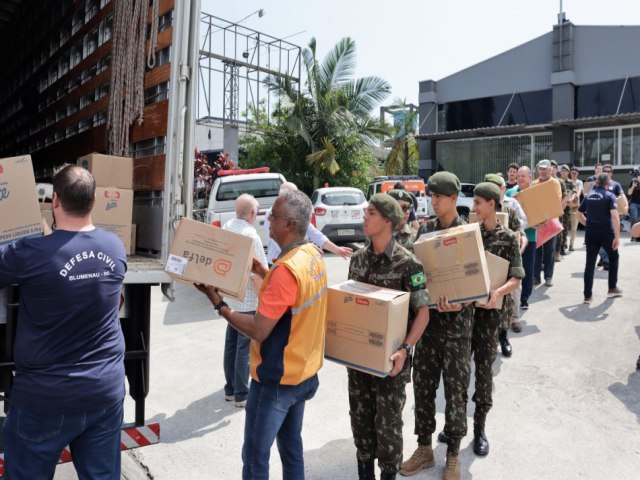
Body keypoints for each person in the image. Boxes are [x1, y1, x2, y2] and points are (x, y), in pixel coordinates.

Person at [0, 165, 127, 480]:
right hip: (104, 392)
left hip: (45, 399)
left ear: (54, 200)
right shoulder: (115, 247)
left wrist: (43, 241)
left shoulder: (33, 254)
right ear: (94, 201)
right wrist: (51, 243)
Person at [196, 189, 328, 479]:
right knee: (292, 449)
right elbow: (292, 298)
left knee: (255, 456)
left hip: (276, 382)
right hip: (303, 374)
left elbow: (259, 329)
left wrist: (219, 303)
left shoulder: (286, 270)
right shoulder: (312, 256)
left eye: (274, 216)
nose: (268, 221)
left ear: (289, 224)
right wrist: (264, 272)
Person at [348, 194, 430, 480]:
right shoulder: (358, 259)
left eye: (370, 212)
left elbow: (423, 313)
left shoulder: (408, 264)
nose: (364, 216)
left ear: (387, 221)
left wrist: (406, 349)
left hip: (392, 362)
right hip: (359, 360)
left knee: (388, 425)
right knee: (360, 421)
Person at [401, 172, 473, 480]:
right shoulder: (425, 231)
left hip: (457, 328)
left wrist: (463, 302)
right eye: (431, 196)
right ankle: (424, 448)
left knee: (455, 392)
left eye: (439, 196)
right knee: (424, 387)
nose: (433, 201)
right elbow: (419, 275)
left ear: (454, 199)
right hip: (429, 326)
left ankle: (453, 452)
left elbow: (476, 279)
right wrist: (420, 296)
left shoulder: (469, 233)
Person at [468, 182, 524, 457]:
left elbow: (516, 277)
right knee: (457, 374)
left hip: (491, 317)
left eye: (478, 202)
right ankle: (456, 424)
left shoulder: (510, 238)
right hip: (466, 315)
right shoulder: (470, 235)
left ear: (492, 204)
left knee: (483, 374)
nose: (474, 207)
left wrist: (497, 293)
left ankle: (480, 428)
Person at [221, 194, 268, 408]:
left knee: (231, 344)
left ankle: (230, 389)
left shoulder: (228, 226)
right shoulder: (252, 236)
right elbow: (259, 272)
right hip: (247, 301)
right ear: (251, 214)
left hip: (230, 296)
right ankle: (241, 393)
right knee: (243, 349)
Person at [483, 173, 528, 353]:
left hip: (506, 259)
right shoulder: (477, 209)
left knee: (506, 299)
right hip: (485, 261)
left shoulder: (509, 209)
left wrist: (521, 241)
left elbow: (519, 231)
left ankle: (503, 336)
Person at [264, 181, 352, 264]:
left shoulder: (297, 213)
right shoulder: (272, 214)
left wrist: (337, 250)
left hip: (294, 263)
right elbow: (278, 241)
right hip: (276, 263)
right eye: (293, 196)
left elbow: (315, 234)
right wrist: (306, 248)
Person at [577, 173, 623, 303]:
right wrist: (617, 237)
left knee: (590, 264)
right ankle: (612, 288)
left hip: (591, 232)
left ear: (596, 183)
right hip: (606, 232)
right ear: (608, 184)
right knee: (614, 257)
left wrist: (588, 223)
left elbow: (578, 214)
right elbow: (615, 217)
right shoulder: (609, 195)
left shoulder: (589, 195)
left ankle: (587, 296)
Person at [506, 166, 537, 311]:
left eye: (523, 176)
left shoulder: (535, 193)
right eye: (518, 176)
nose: (519, 178)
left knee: (528, 270)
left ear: (530, 177)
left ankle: (524, 299)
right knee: (515, 269)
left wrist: (540, 221)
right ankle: (512, 298)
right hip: (514, 238)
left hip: (530, 237)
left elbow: (542, 212)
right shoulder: (510, 193)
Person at [532, 159, 562, 287]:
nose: (543, 171)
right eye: (541, 168)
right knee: (536, 251)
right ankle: (535, 277)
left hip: (550, 221)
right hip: (537, 221)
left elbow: (556, 200)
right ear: (538, 170)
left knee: (549, 251)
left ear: (550, 169)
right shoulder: (534, 183)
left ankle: (548, 277)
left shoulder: (555, 183)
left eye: (545, 169)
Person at [597, 165, 627, 270]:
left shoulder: (616, 184)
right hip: (600, 215)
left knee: (609, 239)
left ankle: (606, 260)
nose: (607, 173)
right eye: (605, 171)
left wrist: (624, 205)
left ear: (612, 172)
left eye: (609, 171)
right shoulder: (597, 184)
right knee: (599, 240)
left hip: (612, 216)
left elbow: (622, 196)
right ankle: (603, 256)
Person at [558, 165, 576, 256]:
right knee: (558, 227)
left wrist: (571, 199)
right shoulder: (557, 181)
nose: (563, 172)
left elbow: (574, 193)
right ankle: (558, 245)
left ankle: (563, 246)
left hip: (566, 208)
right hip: (557, 207)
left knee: (564, 227)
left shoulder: (571, 183)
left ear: (568, 173)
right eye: (562, 171)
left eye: (565, 171)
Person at [569, 167, 584, 250]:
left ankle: (571, 245)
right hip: (566, 207)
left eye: (575, 173)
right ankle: (563, 244)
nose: (573, 174)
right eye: (572, 173)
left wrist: (577, 196)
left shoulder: (579, 182)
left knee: (574, 228)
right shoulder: (567, 182)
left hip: (575, 207)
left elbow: (579, 191)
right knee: (563, 227)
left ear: (578, 174)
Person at [628, 171, 640, 242]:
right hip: (634, 204)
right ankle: (633, 236)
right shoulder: (633, 181)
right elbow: (629, 193)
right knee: (634, 219)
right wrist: (633, 186)